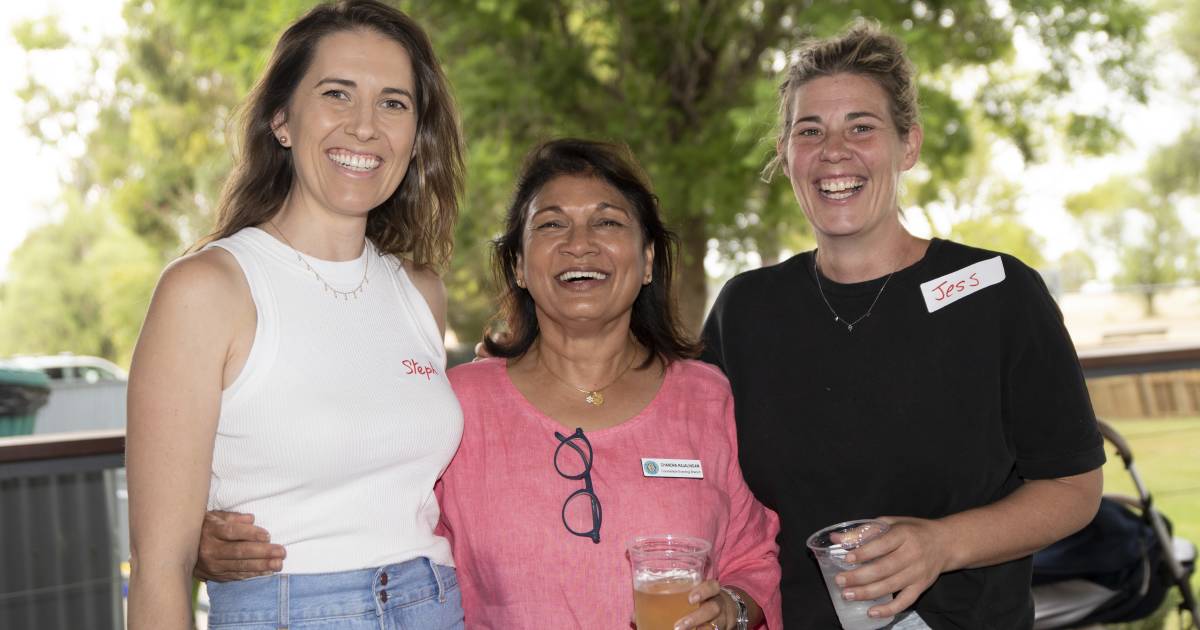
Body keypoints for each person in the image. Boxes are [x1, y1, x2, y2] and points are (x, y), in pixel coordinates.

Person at [195, 139, 784, 630]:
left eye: (607, 222)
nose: (580, 243)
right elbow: (367, 508)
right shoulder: (460, 405)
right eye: (551, 225)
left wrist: (732, 610)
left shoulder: (707, 398)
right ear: (520, 266)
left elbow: (753, 555)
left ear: (649, 259)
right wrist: (206, 540)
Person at [699, 20, 1106, 629]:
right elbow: (705, 481)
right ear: (787, 156)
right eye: (809, 131)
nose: (833, 150)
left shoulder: (999, 293)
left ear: (907, 145)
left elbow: (1074, 489)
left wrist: (942, 544)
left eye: (861, 127)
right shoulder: (746, 309)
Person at [125, 1, 466, 628]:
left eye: (393, 103)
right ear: (282, 119)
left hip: (436, 606)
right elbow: (157, 566)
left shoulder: (420, 291)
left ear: (416, 136)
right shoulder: (208, 290)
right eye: (337, 94)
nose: (364, 127)